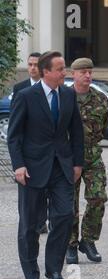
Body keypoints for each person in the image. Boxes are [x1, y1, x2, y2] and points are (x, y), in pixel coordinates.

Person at [8, 51, 84, 279]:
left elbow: (77, 132)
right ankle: (31, 274)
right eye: (61, 69)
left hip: (61, 167)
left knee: (64, 217)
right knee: (30, 224)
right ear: (46, 72)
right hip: (31, 169)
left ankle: (54, 270)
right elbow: (14, 136)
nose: (65, 73)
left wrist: (77, 163)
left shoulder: (69, 95)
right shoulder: (26, 96)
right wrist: (18, 164)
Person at [65, 58, 108, 265]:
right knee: (69, 202)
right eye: (82, 72)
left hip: (92, 155)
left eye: (90, 71)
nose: (87, 75)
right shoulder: (64, 97)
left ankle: (88, 240)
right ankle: (71, 244)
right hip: (68, 156)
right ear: (72, 74)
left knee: (98, 197)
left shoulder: (100, 99)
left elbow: (104, 128)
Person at [11, 52, 49, 235]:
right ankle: (29, 223)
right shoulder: (20, 88)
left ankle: (41, 220)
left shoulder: (50, 87)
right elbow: (15, 122)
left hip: (45, 148)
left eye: (36, 64)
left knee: (43, 190)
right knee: (28, 190)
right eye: (30, 64)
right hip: (27, 148)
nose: (33, 68)